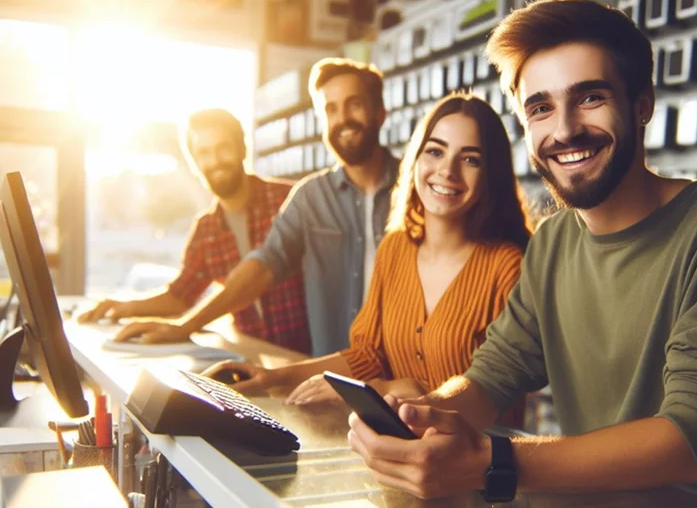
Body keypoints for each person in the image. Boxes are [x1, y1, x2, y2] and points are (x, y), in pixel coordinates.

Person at [347, 0, 697, 500]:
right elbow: (490, 378)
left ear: (642, 103)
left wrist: (492, 462)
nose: (563, 130)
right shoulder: (552, 243)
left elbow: (691, 437)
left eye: (590, 98)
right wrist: (420, 417)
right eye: (540, 108)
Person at [203, 94, 533, 423]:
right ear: (416, 159)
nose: (447, 170)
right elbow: (367, 356)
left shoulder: (508, 267)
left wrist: (390, 389)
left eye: (471, 159)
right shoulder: (395, 249)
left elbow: (492, 391)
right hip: (392, 449)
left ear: (492, 175)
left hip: (477, 464)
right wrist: (273, 377)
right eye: (435, 151)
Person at [112, 58, 400, 356]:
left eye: (354, 105)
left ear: (379, 114)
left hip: (397, 376)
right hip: (316, 371)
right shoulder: (309, 199)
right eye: (331, 109)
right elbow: (262, 265)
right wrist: (160, 319)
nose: (342, 119)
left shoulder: (417, 191)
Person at [78, 109, 311, 353]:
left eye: (223, 148)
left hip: (309, 358)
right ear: (195, 163)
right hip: (254, 358)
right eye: (204, 153)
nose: (215, 160)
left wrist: (184, 326)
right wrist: (123, 307)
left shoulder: (290, 200)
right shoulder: (206, 229)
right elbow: (180, 296)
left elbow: (260, 274)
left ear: (242, 149)